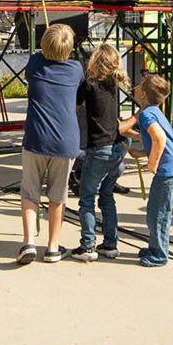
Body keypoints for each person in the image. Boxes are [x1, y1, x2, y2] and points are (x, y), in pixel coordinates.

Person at [16, 23, 83, 265]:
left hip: (36, 137)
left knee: (30, 191)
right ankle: (53, 246)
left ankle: (29, 242)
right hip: (66, 141)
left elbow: (39, 58)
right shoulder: (76, 69)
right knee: (58, 195)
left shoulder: (35, 65)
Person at [72, 44, 130, 262]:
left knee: (87, 197)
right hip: (117, 149)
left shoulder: (89, 85)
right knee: (106, 196)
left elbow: (73, 109)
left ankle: (88, 245)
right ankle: (110, 243)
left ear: (95, 62)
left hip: (99, 149)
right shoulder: (114, 85)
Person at [121, 74, 173, 267]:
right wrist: (140, 153)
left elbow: (159, 139)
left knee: (158, 215)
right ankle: (155, 247)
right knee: (155, 212)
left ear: (142, 93)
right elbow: (155, 140)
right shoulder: (154, 111)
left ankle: (159, 254)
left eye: (139, 85)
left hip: (167, 172)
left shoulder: (148, 114)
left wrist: (152, 163)